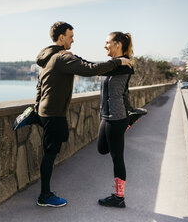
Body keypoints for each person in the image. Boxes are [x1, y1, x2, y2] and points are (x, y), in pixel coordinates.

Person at [34, 22, 132, 207]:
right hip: (54, 113)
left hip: (46, 111)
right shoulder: (62, 58)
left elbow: (39, 86)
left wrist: (36, 108)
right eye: (70, 36)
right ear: (61, 38)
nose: (73, 39)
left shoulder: (49, 56)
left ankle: (46, 194)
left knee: (55, 146)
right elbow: (89, 69)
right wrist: (118, 61)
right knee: (50, 153)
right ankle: (45, 196)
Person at [97, 31, 134, 208]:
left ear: (118, 44)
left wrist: (127, 116)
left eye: (107, 42)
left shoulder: (124, 66)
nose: (105, 46)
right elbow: (125, 91)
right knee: (102, 148)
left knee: (117, 157)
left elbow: (96, 68)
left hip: (117, 117)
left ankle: (119, 197)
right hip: (107, 115)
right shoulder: (115, 64)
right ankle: (132, 117)